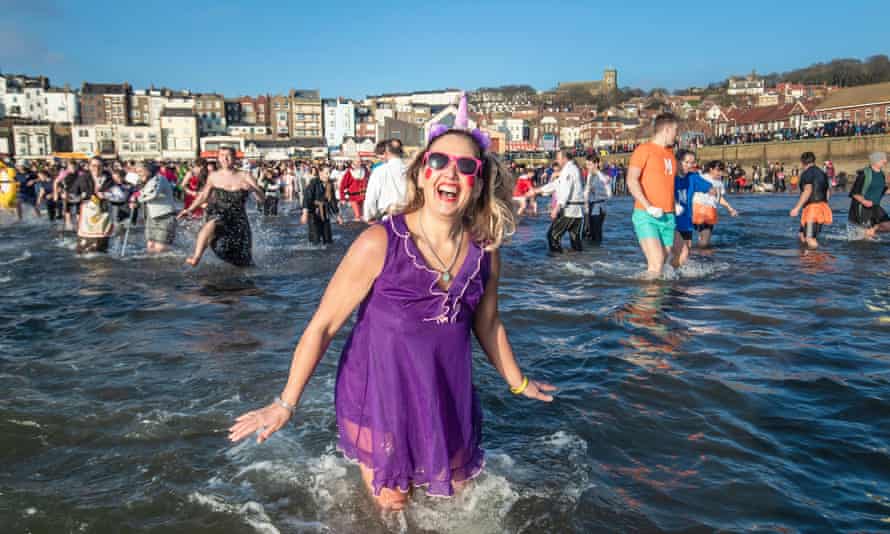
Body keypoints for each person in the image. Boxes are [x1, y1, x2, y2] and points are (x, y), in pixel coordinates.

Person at [228, 122, 555, 511]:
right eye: (439, 160)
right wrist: (285, 403)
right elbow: (323, 326)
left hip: (446, 394)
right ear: (422, 173)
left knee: (461, 498)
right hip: (379, 394)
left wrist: (518, 383)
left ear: (479, 183)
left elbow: (488, 323)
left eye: (465, 166)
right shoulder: (379, 242)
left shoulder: (485, 250)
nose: (451, 172)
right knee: (394, 505)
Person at [179, 147, 264, 267]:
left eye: (228, 155)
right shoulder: (213, 176)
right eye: (222, 155)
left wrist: (253, 189)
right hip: (218, 211)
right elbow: (203, 196)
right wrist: (189, 209)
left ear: (235, 158)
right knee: (212, 223)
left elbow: (261, 199)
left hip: (238, 219)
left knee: (244, 261)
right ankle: (196, 257)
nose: (225, 158)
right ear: (218, 158)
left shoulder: (245, 176)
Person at [626, 113, 679, 276]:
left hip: (668, 216)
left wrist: (674, 203)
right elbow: (631, 180)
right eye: (676, 130)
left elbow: (666, 183)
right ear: (667, 130)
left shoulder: (670, 154)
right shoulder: (644, 150)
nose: (677, 134)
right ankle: (645, 301)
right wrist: (648, 206)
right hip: (646, 214)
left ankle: (658, 299)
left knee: (663, 261)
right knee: (656, 263)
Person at [672, 150, 714, 267]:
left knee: (685, 255)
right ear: (677, 162)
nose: (690, 165)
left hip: (686, 222)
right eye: (687, 162)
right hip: (671, 222)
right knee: (676, 253)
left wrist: (713, 191)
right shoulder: (669, 177)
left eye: (692, 162)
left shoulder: (693, 177)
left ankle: (676, 277)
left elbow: (709, 187)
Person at [790, 151, 832, 249]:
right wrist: (824, 205)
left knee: (809, 238)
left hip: (812, 209)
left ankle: (816, 261)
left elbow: (808, 190)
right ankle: (805, 257)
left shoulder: (807, 173)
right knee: (802, 235)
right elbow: (828, 191)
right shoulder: (823, 173)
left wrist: (797, 208)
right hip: (822, 207)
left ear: (802, 162)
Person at [692, 160, 738, 248]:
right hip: (696, 209)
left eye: (722, 170)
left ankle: (700, 258)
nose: (720, 173)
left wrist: (729, 208)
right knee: (691, 239)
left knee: (705, 242)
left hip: (710, 212)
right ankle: (690, 257)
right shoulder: (701, 178)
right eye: (718, 170)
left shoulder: (720, 183)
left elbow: (719, 198)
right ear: (711, 169)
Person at [136, 162, 178, 253]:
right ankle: (151, 267)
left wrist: (137, 199)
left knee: (160, 248)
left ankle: (166, 266)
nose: (139, 174)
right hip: (151, 217)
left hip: (165, 217)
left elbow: (152, 194)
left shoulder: (159, 179)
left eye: (141, 171)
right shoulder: (143, 182)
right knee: (150, 247)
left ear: (149, 171)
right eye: (137, 172)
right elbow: (140, 195)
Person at [363, 139, 407, 222]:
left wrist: (369, 216)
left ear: (387, 151)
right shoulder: (411, 170)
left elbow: (370, 197)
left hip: (388, 218)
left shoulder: (380, 171)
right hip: (410, 218)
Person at [75, 157, 112, 254]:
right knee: (84, 244)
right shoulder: (82, 178)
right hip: (87, 213)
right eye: (94, 165)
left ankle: (103, 262)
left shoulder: (109, 178)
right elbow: (73, 194)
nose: (97, 168)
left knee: (101, 244)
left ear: (103, 167)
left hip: (103, 212)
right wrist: (74, 196)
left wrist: (107, 195)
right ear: (89, 166)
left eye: (100, 166)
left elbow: (118, 194)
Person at [848, 151, 890, 239]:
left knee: (887, 226)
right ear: (876, 161)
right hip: (862, 207)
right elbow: (854, 192)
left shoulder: (881, 174)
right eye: (883, 159)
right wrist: (864, 201)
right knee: (864, 240)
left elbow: (882, 191)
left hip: (875, 206)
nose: (886, 161)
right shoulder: (864, 174)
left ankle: (871, 230)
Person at [301, 165, 342, 244]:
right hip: (314, 213)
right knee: (315, 239)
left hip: (325, 212)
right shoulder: (313, 182)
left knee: (328, 240)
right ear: (320, 173)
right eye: (326, 173)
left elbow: (332, 201)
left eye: (329, 172)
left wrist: (337, 215)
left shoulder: (330, 184)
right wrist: (304, 214)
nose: (328, 175)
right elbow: (307, 197)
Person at [583, 155, 612, 244]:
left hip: (599, 207)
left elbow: (609, 195)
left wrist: (597, 172)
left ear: (596, 164)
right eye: (586, 165)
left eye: (590, 164)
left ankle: (598, 253)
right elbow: (586, 192)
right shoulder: (589, 176)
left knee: (596, 233)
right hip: (590, 206)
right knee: (587, 234)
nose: (588, 167)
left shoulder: (604, 176)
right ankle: (591, 255)